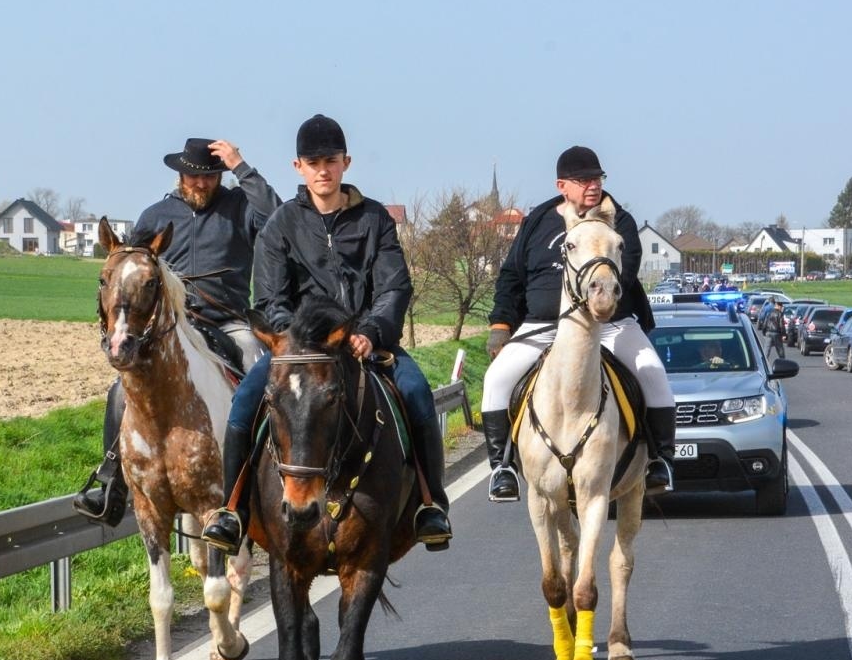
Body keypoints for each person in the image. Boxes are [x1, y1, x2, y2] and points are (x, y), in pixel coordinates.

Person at [201, 114, 452, 551]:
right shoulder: (281, 224)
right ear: (298, 166)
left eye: (331, 161)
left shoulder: (375, 219)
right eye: (313, 162)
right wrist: (295, 343)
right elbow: (271, 300)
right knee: (244, 404)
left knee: (416, 395)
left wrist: (371, 331)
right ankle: (233, 510)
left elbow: (394, 285)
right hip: (301, 356)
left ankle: (430, 505)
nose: (323, 170)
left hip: (366, 346)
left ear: (346, 163)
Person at [72, 137, 281, 525]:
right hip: (169, 330)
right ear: (180, 174)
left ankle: (270, 473)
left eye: (209, 177)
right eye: (192, 177)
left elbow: (279, 218)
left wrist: (242, 167)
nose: (200, 184)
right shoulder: (154, 216)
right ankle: (110, 483)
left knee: (257, 364)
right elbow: (130, 274)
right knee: (120, 390)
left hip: (227, 322)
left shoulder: (242, 208)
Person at [480, 146, 675, 502]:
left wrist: (597, 306)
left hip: (610, 324)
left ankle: (659, 460)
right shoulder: (537, 221)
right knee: (496, 380)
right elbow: (511, 275)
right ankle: (502, 467)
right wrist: (501, 323)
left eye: (597, 178)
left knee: (652, 372)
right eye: (583, 179)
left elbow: (625, 272)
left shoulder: (618, 221)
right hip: (543, 326)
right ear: (562, 185)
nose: (592, 185)